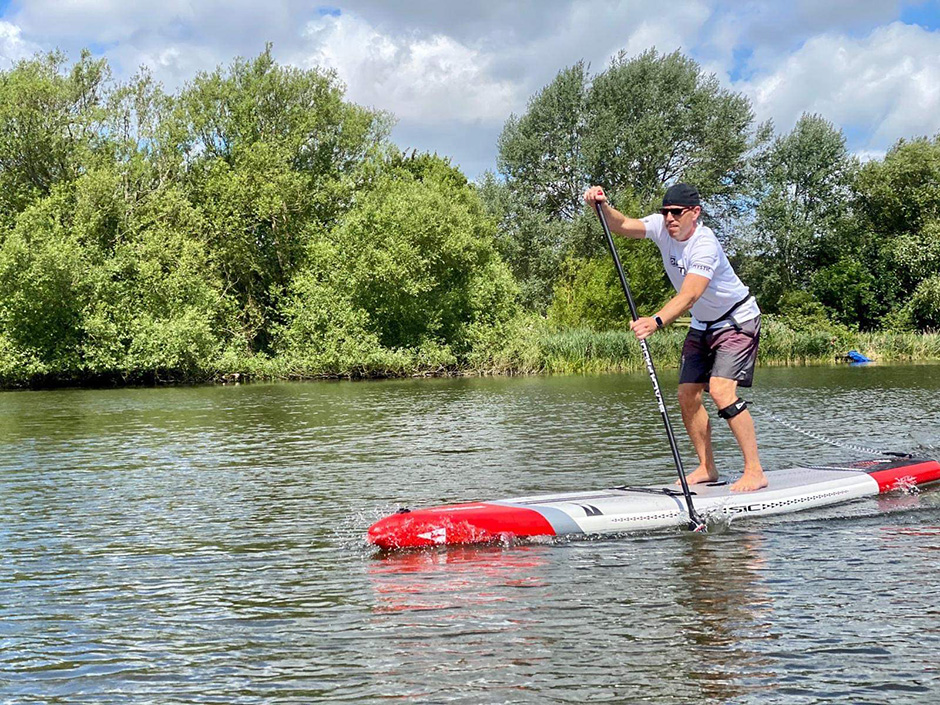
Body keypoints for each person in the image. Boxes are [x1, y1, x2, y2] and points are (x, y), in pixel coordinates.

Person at [583, 183, 768, 492]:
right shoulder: (661, 227)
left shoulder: (705, 244)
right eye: (665, 212)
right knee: (687, 394)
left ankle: (755, 471)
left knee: (721, 393)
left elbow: (691, 294)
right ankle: (707, 467)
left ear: (694, 214)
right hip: (703, 324)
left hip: (737, 320)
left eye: (676, 213)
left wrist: (655, 321)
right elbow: (623, 225)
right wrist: (601, 206)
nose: (669, 218)